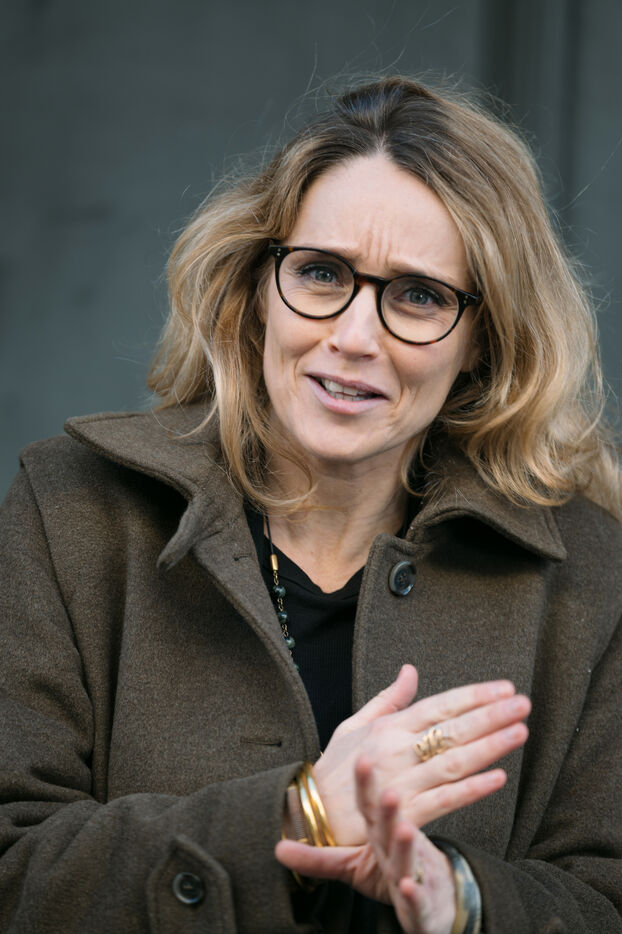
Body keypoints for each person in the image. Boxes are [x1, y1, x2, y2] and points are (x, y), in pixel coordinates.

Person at [0, 76, 620, 934]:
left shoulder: (590, 576)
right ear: (258, 287)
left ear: (483, 341)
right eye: (322, 273)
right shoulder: (71, 510)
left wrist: (465, 903)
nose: (354, 338)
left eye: (419, 295)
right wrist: (301, 817)